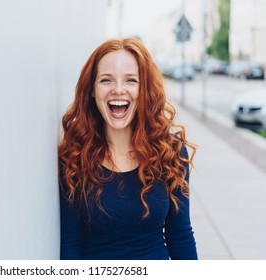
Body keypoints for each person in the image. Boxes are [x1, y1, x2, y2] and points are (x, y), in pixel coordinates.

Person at [58, 38, 198, 260]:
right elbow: (70, 243)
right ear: (92, 90)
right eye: (106, 80)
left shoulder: (170, 152)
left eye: (131, 80)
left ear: (144, 90)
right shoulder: (74, 156)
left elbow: (180, 236)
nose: (118, 90)